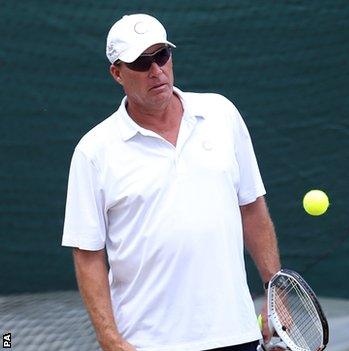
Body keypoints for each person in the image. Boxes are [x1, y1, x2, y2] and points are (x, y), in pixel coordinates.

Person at [62, 13, 281, 351]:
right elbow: (87, 253)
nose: (156, 70)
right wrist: (109, 338)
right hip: (147, 342)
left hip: (236, 333)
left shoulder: (221, 114)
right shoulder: (93, 151)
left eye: (161, 55)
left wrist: (274, 292)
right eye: (141, 62)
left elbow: (251, 208)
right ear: (117, 73)